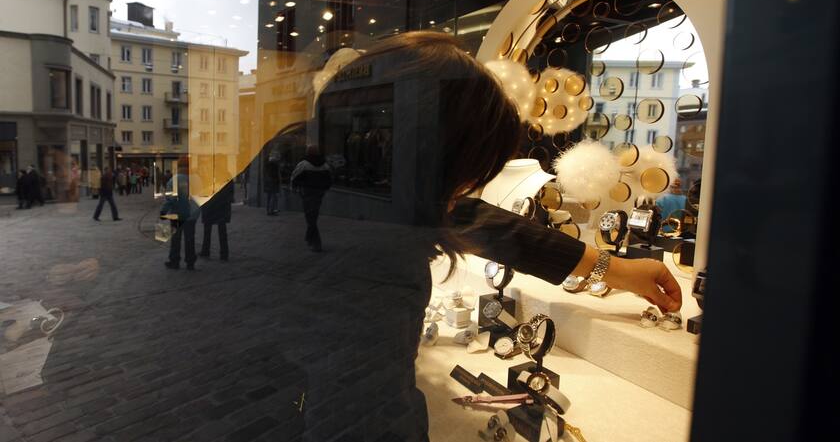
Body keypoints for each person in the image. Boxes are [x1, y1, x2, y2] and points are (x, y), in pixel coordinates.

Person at [292, 32, 682, 442]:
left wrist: (612, 267)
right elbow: (370, 417)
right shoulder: (372, 266)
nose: (462, 192)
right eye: (465, 172)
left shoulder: (328, 182)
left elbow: (473, 220)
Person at [291, 145, 332, 252]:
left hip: (307, 192)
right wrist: (324, 188)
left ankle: (315, 242)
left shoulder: (304, 164)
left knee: (310, 217)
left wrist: (294, 188)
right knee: (313, 215)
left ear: (308, 152)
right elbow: (330, 179)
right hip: (319, 193)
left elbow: (294, 177)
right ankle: (311, 240)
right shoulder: (325, 165)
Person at [160, 161, 199, 270]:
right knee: (190, 239)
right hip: (191, 215)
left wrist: (163, 211)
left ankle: (175, 261)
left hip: (177, 214)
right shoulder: (196, 179)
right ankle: (190, 262)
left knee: (175, 239)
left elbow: (170, 198)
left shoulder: (174, 180)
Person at [199, 179, 234, 261]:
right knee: (222, 230)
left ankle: (206, 250)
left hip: (210, 206)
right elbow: (230, 192)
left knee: (208, 230)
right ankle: (224, 254)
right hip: (221, 206)